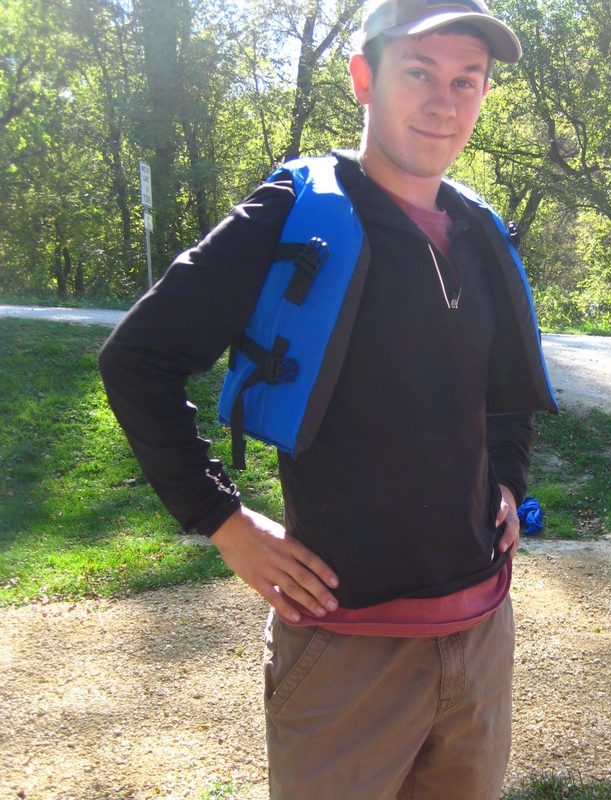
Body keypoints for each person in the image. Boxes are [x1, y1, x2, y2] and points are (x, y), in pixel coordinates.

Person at [100, 0, 557, 797]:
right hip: (348, 650)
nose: (444, 100)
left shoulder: (481, 232)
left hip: (481, 632)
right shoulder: (295, 215)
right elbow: (136, 359)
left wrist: (510, 480)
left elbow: (505, 382)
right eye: (418, 73)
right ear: (363, 79)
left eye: (466, 80)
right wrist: (223, 522)